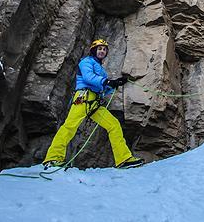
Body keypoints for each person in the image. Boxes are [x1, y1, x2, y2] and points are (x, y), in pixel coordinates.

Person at [42, 39, 144, 169]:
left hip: (94, 103)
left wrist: (115, 83)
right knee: (69, 127)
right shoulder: (86, 62)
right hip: (83, 99)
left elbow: (102, 87)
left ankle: (123, 159)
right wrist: (107, 82)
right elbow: (88, 78)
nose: (102, 51)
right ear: (94, 50)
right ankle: (53, 158)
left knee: (113, 125)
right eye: (99, 48)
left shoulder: (100, 69)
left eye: (104, 49)